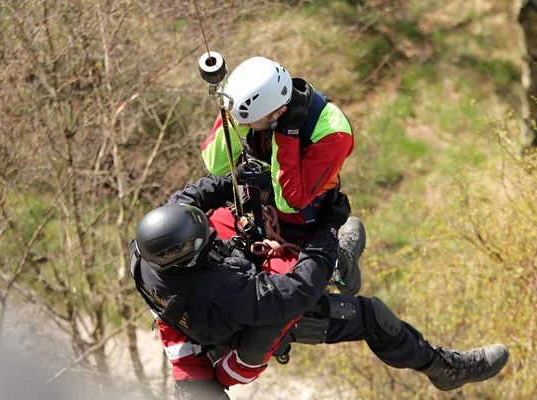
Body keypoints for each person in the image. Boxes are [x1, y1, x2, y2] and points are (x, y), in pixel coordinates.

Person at [130, 174, 509, 400]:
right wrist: (327, 232)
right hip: (256, 326)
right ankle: (444, 368)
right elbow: (297, 290)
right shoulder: (225, 296)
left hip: (221, 298)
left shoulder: (150, 248)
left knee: (241, 214)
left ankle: (339, 262)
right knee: (372, 316)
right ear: (193, 254)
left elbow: (192, 196)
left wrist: (243, 179)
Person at [200, 56, 362, 295]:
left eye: (247, 122)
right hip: (255, 208)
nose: (242, 125)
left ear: (278, 113)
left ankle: (342, 261)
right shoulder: (259, 105)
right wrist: (238, 118)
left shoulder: (332, 132)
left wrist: (288, 135)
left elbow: (290, 202)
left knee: (292, 291)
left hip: (302, 221)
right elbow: (216, 165)